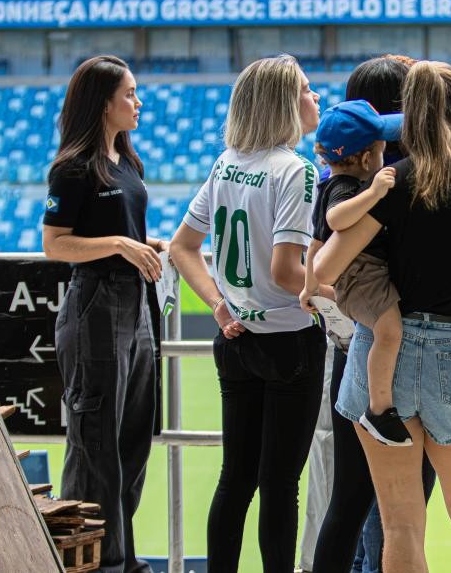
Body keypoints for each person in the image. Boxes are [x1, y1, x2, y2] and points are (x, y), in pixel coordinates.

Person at [313, 60, 451, 573]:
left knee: (399, 527)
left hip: (383, 357)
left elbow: (325, 267)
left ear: (407, 119)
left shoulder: (391, 183)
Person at [169, 54, 332, 573]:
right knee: (280, 485)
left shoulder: (227, 162)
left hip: (235, 339)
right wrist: (337, 295)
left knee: (235, 478)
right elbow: (287, 272)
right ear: (284, 102)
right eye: (305, 89)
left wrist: (219, 304)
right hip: (289, 343)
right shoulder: (296, 170)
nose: (315, 97)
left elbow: (182, 247)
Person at [310, 55, 438, 573]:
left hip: (354, 348)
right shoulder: (399, 183)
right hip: (411, 348)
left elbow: (316, 268)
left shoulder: (350, 179)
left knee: (352, 501)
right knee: (402, 511)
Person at [42, 55, 165, 573]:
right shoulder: (73, 167)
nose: (138, 102)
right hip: (96, 307)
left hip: (137, 308)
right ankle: (95, 564)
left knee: (134, 441)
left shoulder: (128, 163)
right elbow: (55, 244)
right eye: (129, 93)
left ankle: (121, 557)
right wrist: (119, 243)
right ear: (103, 103)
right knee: (95, 444)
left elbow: (120, 232)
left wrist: (143, 245)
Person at [301, 98, 410, 447]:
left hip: (360, 277)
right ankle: (380, 409)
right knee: (389, 331)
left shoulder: (331, 184)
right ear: (365, 159)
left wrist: (309, 288)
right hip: (361, 276)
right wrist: (375, 192)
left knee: (387, 331)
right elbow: (336, 219)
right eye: (380, 149)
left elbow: (315, 244)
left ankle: (380, 405)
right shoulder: (343, 187)